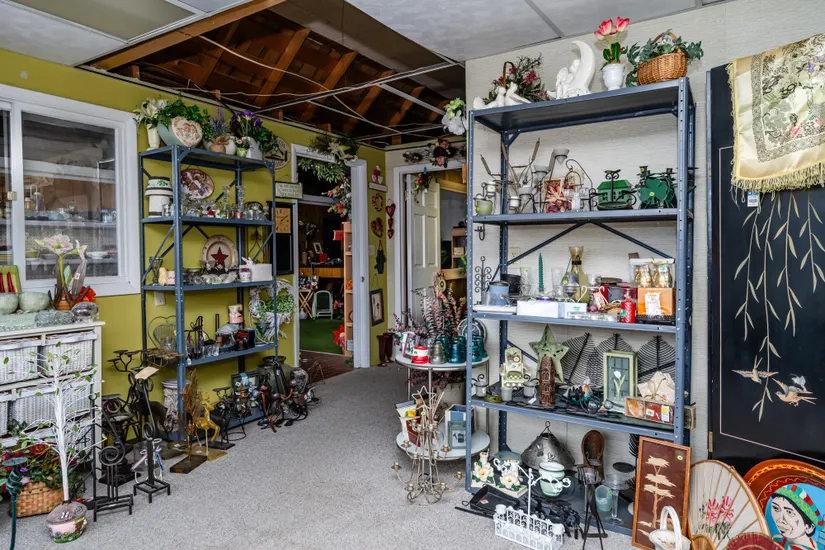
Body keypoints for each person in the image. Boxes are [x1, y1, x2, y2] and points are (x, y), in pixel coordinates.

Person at [770, 484, 824, 550]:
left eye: (790, 512)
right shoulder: (777, 540)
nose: (780, 520)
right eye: (776, 508)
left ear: (809, 528)